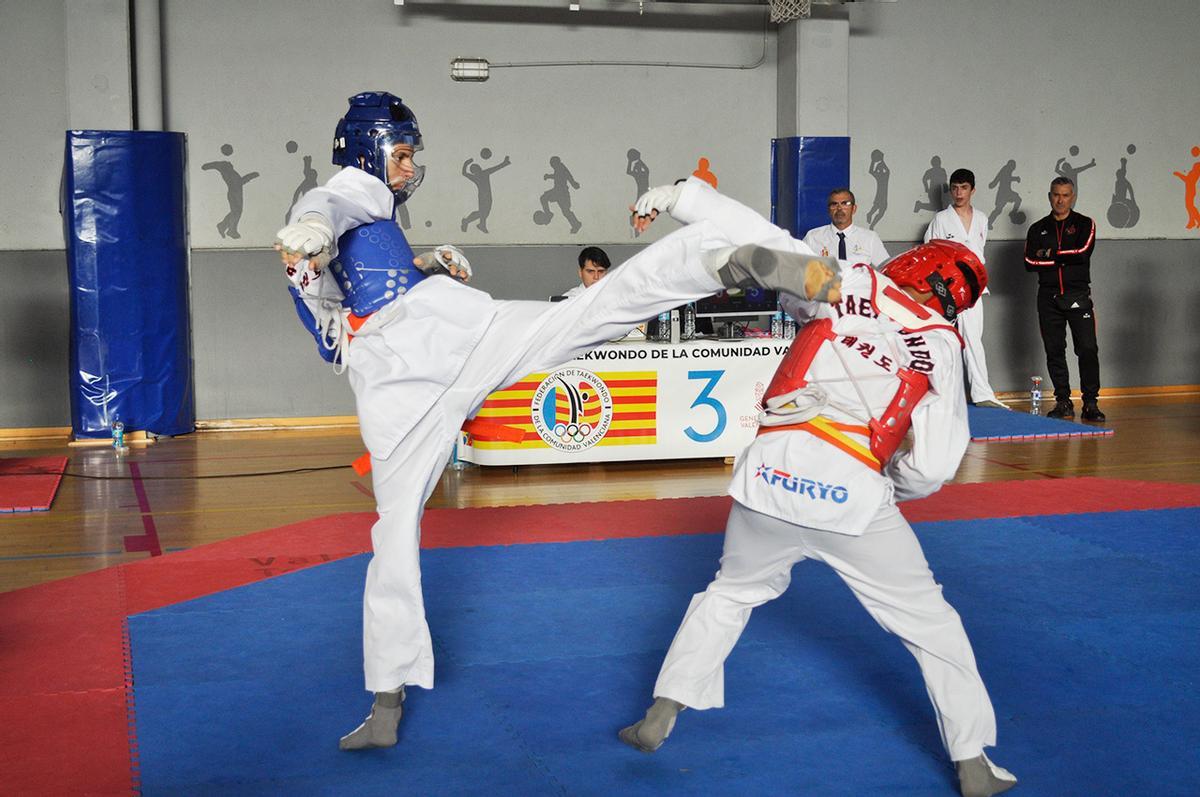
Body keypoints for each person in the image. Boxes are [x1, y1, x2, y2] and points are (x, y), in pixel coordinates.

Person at [274, 91, 844, 751]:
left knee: (394, 532)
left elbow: (342, 302)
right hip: (425, 343)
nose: (406, 171)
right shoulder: (346, 189)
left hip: (399, 373)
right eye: (400, 156)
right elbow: (332, 206)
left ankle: (386, 700)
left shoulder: (334, 233)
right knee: (580, 319)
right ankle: (707, 260)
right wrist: (314, 225)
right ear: (371, 151)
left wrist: (419, 263)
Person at [621, 180, 1018, 797]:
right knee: (931, 624)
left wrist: (678, 197)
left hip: (767, 474)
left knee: (729, 592)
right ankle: (972, 761)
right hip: (851, 487)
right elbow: (937, 465)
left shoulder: (849, 279)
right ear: (958, 302)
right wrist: (890, 484)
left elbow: (759, 239)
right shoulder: (940, 349)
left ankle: (663, 709)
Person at [924, 168, 1006, 409]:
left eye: (964, 188)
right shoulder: (941, 219)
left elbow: (980, 253)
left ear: (972, 190)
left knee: (973, 339)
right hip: (946, 289)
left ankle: (982, 394)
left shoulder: (981, 218)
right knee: (939, 339)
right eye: (955, 188)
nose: (958, 193)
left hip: (974, 289)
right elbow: (930, 254)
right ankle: (935, 394)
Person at [1023, 177, 1102, 421]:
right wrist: (1059, 257)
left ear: (1073, 197)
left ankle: (1090, 403)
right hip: (1048, 298)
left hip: (1077, 295)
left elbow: (1082, 253)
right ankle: (1063, 401)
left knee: (1087, 349)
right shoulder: (1037, 229)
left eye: (1065, 195)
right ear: (1050, 197)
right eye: (1056, 194)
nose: (1060, 199)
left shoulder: (1085, 224)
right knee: (1054, 350)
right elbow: (1029, 262)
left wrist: (1050, 254)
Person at [802, 187, 889, 269]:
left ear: (854, 209)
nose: (839, 208)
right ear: (829, 210)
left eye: (845, 203)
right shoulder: (813, 237)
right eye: (834, 204)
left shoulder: (870, 238)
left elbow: (887, 269)